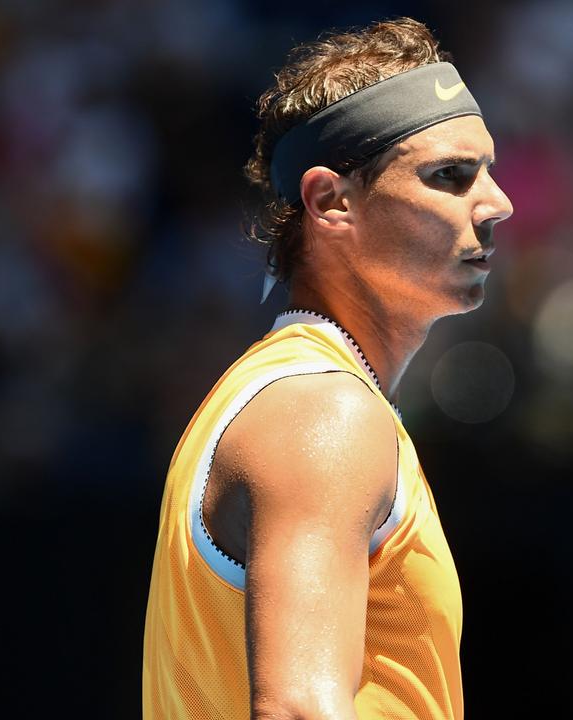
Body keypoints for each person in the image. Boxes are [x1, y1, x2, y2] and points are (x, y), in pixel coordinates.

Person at [142, 18, 513, 720]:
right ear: (330, 201)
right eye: (451, 177)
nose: (497, 203)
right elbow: (298, 710)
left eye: (489, 170)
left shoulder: (296, 395)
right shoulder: (324, 412)